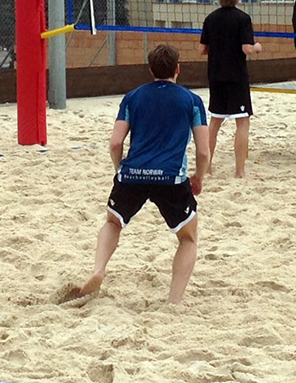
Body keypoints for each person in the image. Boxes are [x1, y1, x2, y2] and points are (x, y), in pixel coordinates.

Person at [59, 43, 210, 305]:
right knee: (188, 239)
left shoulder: (132, 97)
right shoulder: (192, 101)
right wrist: (199, 177)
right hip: (171, 178)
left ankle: (98, 270)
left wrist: (120, 170)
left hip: (132, 174)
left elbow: (115, 143)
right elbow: (204, 151)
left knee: (112, 223)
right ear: (178, 69)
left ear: (151, 70)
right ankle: (173, 302)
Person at [199, 0, 262, 178]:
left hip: (216, 76)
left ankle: (207, 167)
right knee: (242, 122)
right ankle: (239, 171)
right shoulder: (243, 19)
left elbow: (201, 49)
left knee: (215, 122)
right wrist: (257, 47)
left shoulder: (210, 19)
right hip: (236, 77)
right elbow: (247, 49)